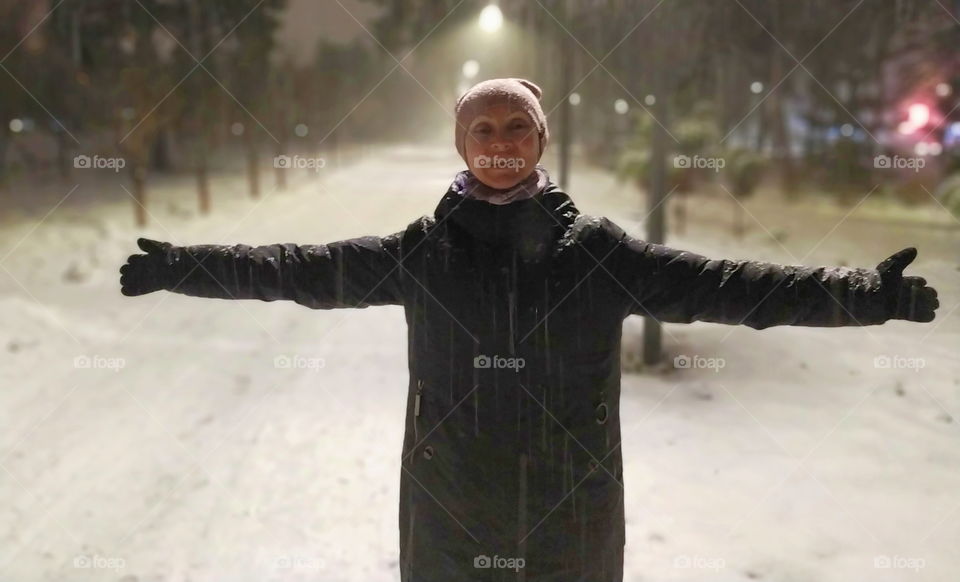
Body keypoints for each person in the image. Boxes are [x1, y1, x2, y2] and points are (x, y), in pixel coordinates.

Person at [120, 77, 939, 582]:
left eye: (517, 128)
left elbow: (730, 287)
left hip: (569, 513)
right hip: (449, 509)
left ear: (541, 142)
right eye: (485, 129)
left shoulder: (598, 255)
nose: (501, 143)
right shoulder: (422, 254)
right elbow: (292, 270)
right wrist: (178, 267)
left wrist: (865, 294)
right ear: (462, 144)